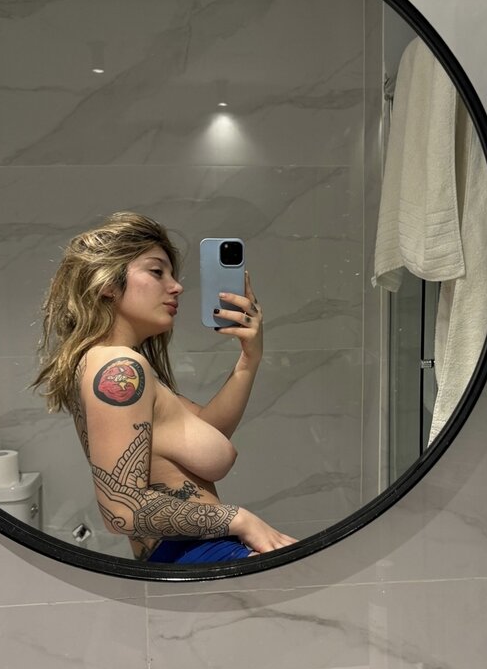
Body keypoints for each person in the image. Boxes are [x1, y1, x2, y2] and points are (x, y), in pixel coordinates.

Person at [32, 211, 296, 564]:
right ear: (107, 283)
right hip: (196, 553)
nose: (176, 286)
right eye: (157, 272)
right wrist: (239, 519)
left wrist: (249, 359)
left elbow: (208, 435)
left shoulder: (117, 364)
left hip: (190, 552)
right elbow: (121, 509)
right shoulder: (120, 368)